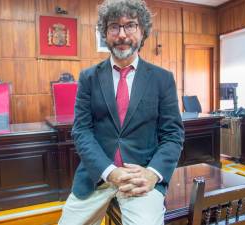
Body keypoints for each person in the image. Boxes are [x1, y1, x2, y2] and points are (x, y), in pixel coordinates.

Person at [58, 0, 184, 224]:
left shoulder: (162, 79)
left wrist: (152, 174)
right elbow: (81, 132)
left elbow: (173, 136)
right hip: (96, 177)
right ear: (105, 34)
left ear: (142, 31)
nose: (122, 34)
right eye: (114, 26)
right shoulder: (89, 78)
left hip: (141, 178)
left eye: (130, 26)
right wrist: (109, 171)